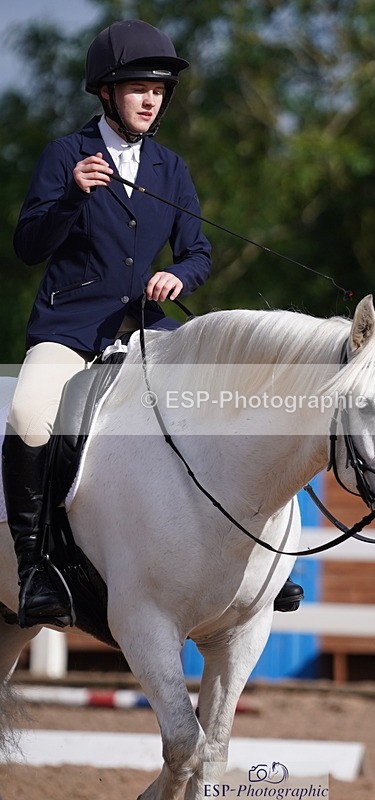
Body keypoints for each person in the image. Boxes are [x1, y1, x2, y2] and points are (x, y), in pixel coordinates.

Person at [2, 19, 303, 628]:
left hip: (146, 328)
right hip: (70, 328)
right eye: (139, 88)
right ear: (106, 92)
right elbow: (28, 246)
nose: (150, 100)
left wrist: (178, 277)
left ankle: (263, 561)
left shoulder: (170, 168)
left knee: (230, 402)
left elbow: (198, 252)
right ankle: (34, 569)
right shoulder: (66, 156)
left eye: (159, 91)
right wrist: (71, 198)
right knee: (29, 415)